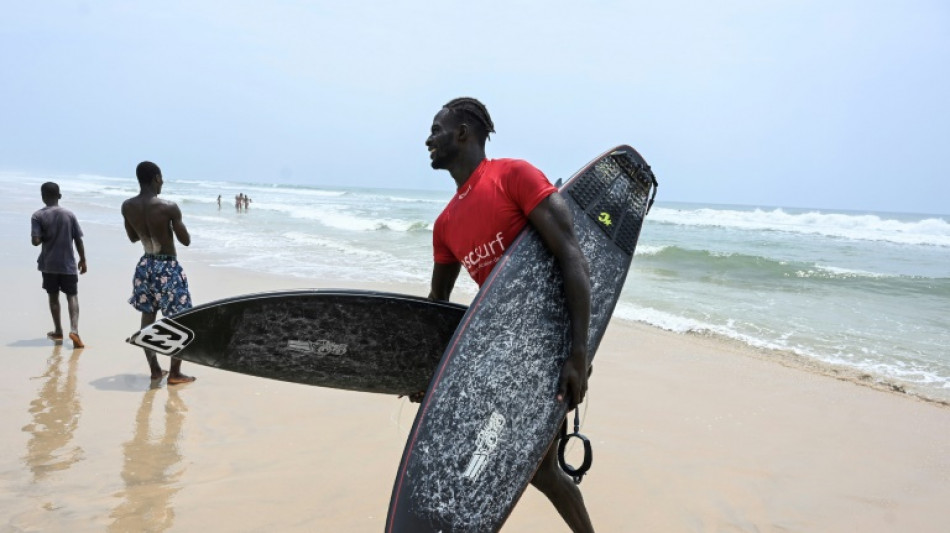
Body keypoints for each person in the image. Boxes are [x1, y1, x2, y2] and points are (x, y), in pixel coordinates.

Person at [425, 97, 594, 532]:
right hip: (505, 357)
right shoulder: (445, 225)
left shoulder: (513, 176)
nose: (429, 139)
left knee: (536, 468)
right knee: (528, 467)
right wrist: (421, 370)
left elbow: (572, 256)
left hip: (550, 350)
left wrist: (578, 353)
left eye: (437, 130)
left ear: (463, 133)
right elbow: (436, 307)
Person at [121, 161, 196, 384]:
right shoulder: (168, 207)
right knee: (180, 320)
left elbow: (133, 238)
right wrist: (171, 225)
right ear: (156, 178)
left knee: (148, 316)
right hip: (167, 268)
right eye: (161, 178)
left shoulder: (127, 206)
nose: (162, 182)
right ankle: (174, 373)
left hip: (146, 266)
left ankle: (155, 369)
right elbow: (186, 240)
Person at [31, 182, 87, 348]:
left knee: (53, 296)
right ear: (60, 196)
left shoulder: (37, 216)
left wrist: (41, 236)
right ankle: (74, 331)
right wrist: (83, 260)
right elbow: (78, 239)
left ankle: (58, 330)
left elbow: (35, 241)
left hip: (49, 264)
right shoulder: (69, 215)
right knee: (72, 296)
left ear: (42, 197)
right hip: (68, 264)